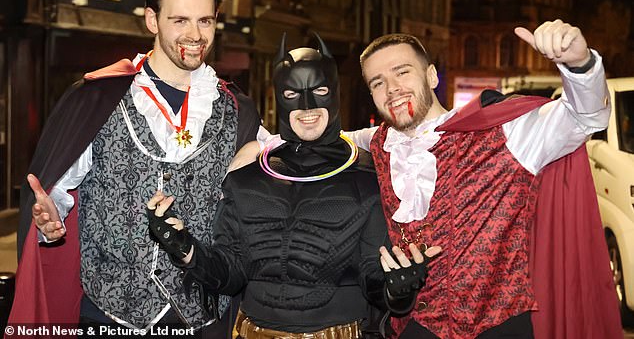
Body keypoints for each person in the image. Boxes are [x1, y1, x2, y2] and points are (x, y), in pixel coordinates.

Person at [254, 20, 622, 338]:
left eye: (402, 72)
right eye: (378, 82)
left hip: (500, 326)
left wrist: (579, 62)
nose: (392, 88)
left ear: (431, 75)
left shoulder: (505, 131)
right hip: (415, 327)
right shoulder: (375, 144)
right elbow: (299, 140)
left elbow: (585, 116)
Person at [8, 0, 260, 335]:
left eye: (205, 21)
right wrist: (50, 224)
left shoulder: (239, 112)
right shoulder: (98, 99)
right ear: (152, 21)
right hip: (107, 315)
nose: (194, 34)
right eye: (179, 20)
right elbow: (56, 196)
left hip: (201, 319)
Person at [146, 34, 438, 338]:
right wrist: (184, 248)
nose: (307, 106)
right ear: (278, 97)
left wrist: (398, 289)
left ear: (335, 93)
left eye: (320, 90)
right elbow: (230, 274)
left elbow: (373, 281)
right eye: (293, 93)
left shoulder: (367, 178)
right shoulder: (247, 178)